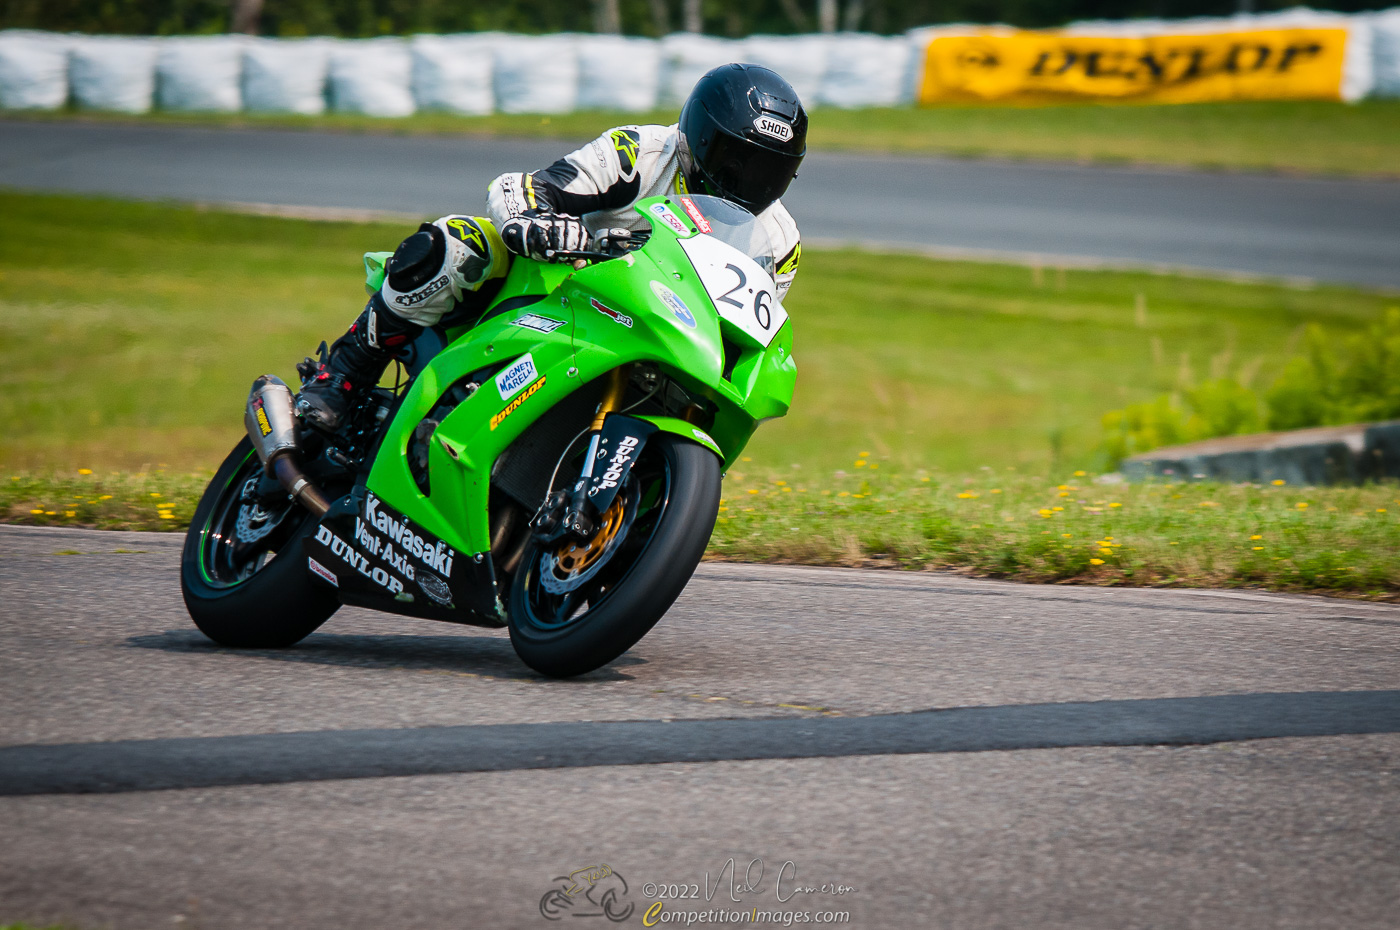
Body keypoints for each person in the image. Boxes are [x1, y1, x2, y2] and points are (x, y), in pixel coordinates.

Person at [296, 63, 808, 432]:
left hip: (660, 332)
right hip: (561, 289)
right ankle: (342, 372)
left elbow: (742, 329)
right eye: (733, 159)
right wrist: (538, 227)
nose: (745, 181)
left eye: (768, 170)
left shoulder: (781, 244)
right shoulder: (640, 154)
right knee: (459, 243)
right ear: (697, 138)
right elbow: (522, 187)